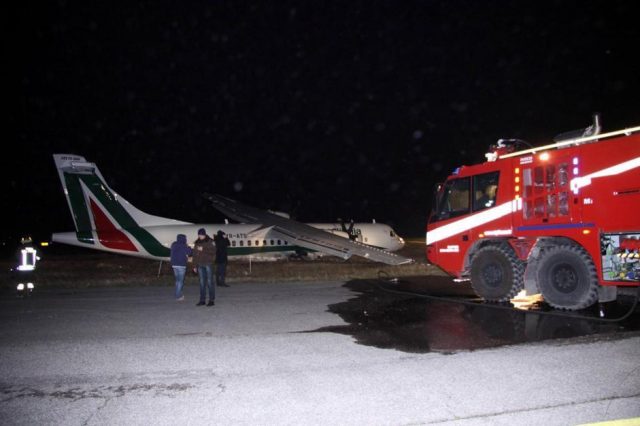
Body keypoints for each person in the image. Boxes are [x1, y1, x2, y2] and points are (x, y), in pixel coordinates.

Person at [192, 228, 216, 306]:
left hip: (208, 264)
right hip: (200, 265)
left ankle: (211, 300)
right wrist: (194, 265)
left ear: (205, 234)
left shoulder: (210, 241)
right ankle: (202, 300)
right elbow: (194, 255)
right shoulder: (197, 243)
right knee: (202, 283)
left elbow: (214, 251)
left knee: (209, 282)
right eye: (199, 235)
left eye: (201, 235)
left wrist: (203, 249)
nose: (200, 236)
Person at [170, 234, 192, 301]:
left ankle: (179, 293)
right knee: (180, 281)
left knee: (177, 280)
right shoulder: (183, 245)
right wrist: (189, 247)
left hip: (174, 265)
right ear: (184, 239)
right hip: (181, 265)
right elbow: (189, 252)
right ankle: (177, 296)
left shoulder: (173, 244)